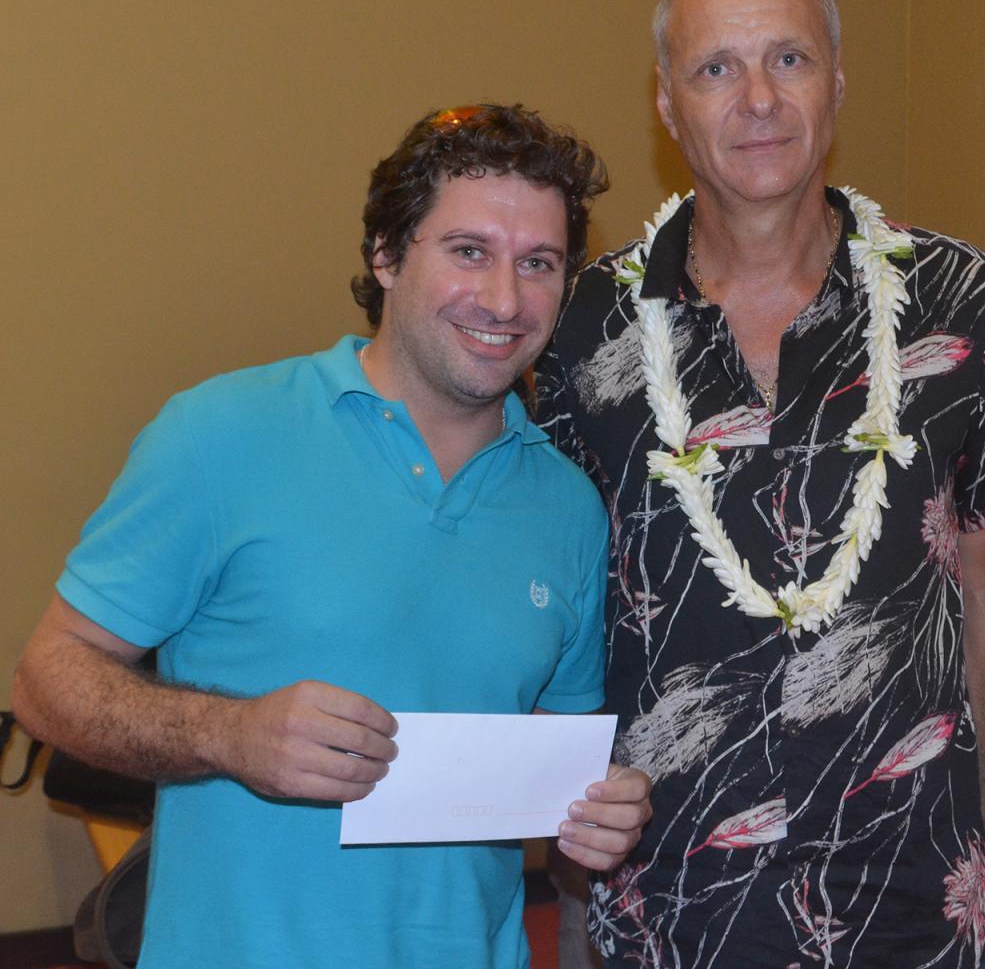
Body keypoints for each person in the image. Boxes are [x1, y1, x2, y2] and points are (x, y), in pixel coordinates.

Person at [12, 103, 652, 969]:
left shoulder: (569, 509)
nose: (505, 299)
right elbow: (46, 682)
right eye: (469, 251)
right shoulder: (222, 434)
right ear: (385, 255)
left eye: (537, 263)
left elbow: (554, 774)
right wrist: (228, 736)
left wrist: (601, 814)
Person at [537, 0, 985, 967]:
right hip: (669, 893)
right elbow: (549, 587)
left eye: (789, 58)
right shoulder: (584, 322)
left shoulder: (957, 297)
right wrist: (556, 837)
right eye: (716, 68)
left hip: (913, 889)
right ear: (667, 104)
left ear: (838, 81)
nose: (760, 99)